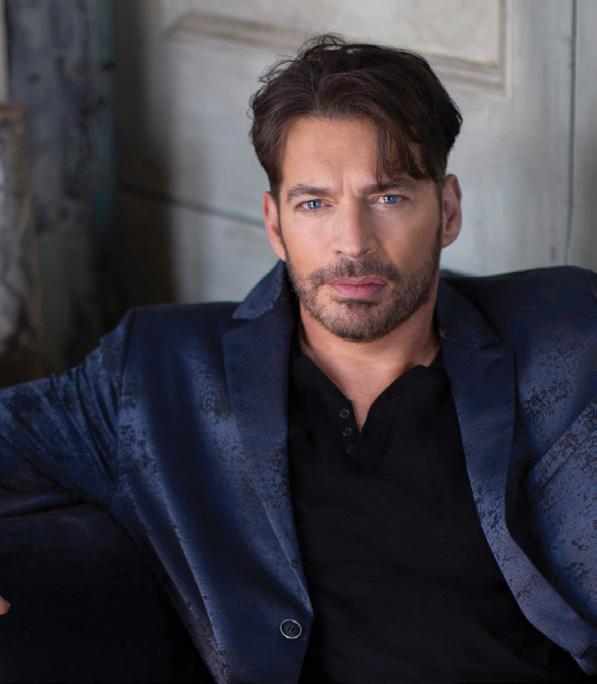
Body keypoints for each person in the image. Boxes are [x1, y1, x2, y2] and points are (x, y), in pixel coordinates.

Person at [0, 34, 594, 684]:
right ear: (275, 224)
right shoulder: (160, 372)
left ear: (447, 211)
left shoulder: (563, 336)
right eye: (314, 203)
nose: (352, 243)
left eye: (388, 197)